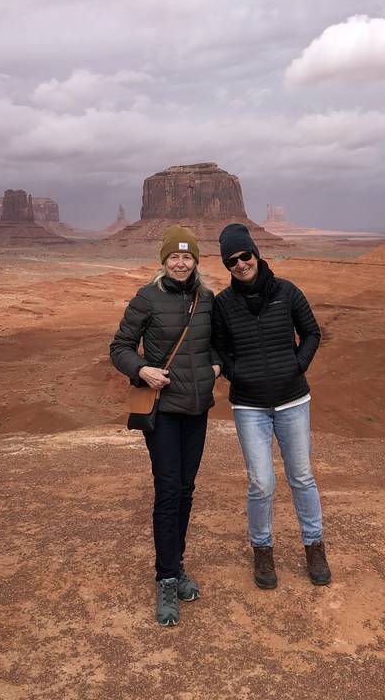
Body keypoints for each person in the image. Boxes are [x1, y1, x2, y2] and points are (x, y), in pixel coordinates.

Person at [110, 225, 221, 626]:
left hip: (197, 409)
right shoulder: (147, 297)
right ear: (163, 260)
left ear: (195, 261)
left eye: (187, 257)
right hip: (164, 411)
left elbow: (217, 343)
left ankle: (177, 562)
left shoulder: (206, 299)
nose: (180, 263)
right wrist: (142, 370)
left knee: (187, 489)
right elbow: (119, 346)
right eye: (174, 257)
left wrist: (216, 365)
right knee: (168, 490)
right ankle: (166, 578)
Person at [211, 222, 331, 588]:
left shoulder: (288, 292)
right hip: (249, 406)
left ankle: (314, 546)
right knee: (261, 482)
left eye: (245, 256)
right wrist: (235, 373)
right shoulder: (223, 304)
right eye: (231, 261)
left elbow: (311, 332)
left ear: (256, 254)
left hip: (293, 399)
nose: (240, 264)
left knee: (302, 477)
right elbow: (217, 347)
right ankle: (262, 551)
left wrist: (296, 365)